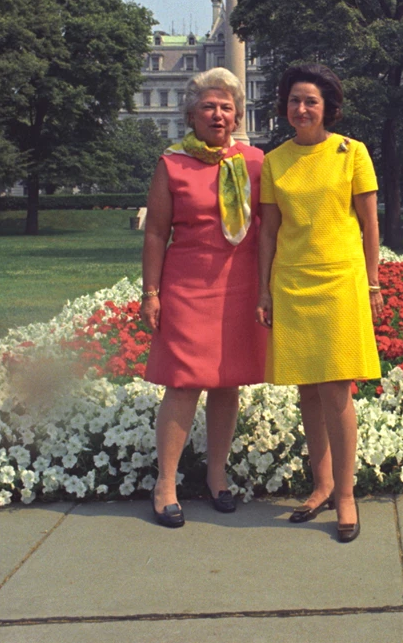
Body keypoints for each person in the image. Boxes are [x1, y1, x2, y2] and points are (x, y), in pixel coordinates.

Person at [255, 63, 382, 544]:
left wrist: (373, 284)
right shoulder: (275, 161)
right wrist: (264, 289)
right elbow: (268, 230)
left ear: (328, 106)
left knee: (336, 389)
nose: (301, 108)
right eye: (293, 100)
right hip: (291, 282)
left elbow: (370, 225)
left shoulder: (353, 153)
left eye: (310, 100)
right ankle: (322, 483)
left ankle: (346, 494)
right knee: (308, 389)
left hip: (340, 280)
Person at [140, 68, 266, 528]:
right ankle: (166, 482)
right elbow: (156, 233)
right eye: (209, 107)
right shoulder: (171, 163)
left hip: (241, 285)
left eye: (227, 107)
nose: (218, 114)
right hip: (188, 284)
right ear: (191, 115)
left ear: (237, 115)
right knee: (184, 382)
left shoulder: (255, 161)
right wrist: (150, 293)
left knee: (227, 381)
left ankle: (217, 475)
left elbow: (270, 228)